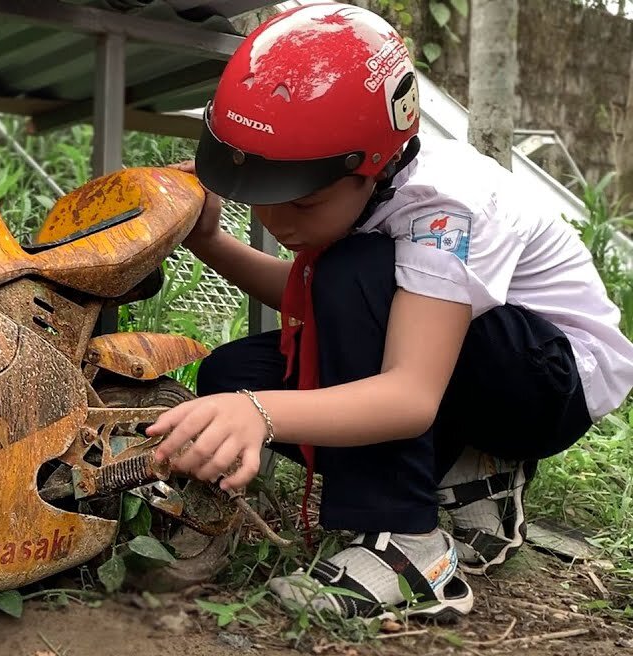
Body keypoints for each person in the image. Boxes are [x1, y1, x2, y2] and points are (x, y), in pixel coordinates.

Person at [147, 2, 633, 621]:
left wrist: (261, 414)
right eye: (265, 199)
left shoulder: (443, 210)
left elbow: (409, 394)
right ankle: (466, 471)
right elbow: (314, 301)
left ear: (372, 167)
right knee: (233, 375)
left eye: (305, 202)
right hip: (460, 365)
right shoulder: (368, 201)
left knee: (352, 273)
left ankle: (407, 547)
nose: (279, 221)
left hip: (547, 384)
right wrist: (213, 242)